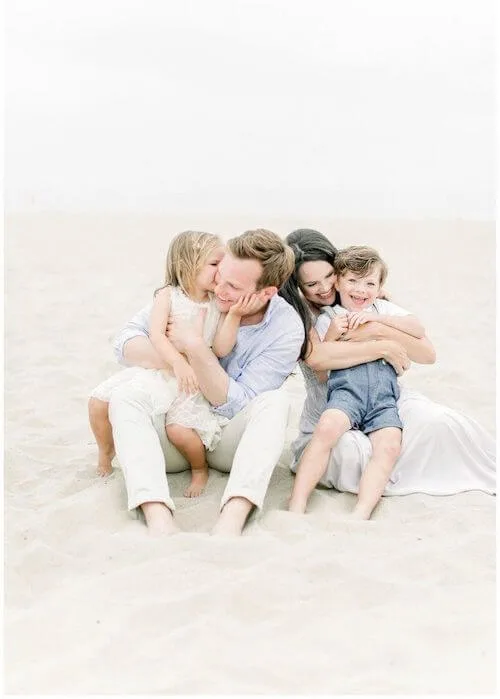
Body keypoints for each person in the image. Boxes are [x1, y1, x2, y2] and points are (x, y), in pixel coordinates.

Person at [89, 228, 304, 535]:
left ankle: (234, 514)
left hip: (227, 443)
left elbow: (235, 403)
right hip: (176, 437)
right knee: (125, 397)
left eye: (233, 286)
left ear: (266, 292)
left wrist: (195, 346)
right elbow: (125, 342)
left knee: (277, 403)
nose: (220, 288)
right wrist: (178, 360)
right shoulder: (199, 293)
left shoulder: (286, 329)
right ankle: (156, 511)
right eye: (221, 275)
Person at [279, 228, 496, 508]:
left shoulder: (369, 301)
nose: (323, 288)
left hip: (384, 396)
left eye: (329, 276)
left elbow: (427, 353)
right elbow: (319, 361)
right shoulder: (304, 314)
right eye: (311, 284)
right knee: (350, 452)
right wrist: (382, 347)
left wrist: (377, 328)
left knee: (442, 424)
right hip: (335, 401)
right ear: (296, 285)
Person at [89, 230, 260, 497]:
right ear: (189, 264)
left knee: (179, 430)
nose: (220, 272)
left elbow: (222, 348)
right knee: (98, 402)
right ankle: (105, 452)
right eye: (215, 264)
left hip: (196, 376)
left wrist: (235, 316)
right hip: (166, 369)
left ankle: (199, 468)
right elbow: (156, 335)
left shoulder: (218, 302)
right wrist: (177, 364)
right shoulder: (168, 295)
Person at [288, 245, 426, 519]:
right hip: (346, 394)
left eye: (369, 283)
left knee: (389, 446)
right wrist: (332, 336)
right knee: (327, 429)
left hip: (384, 399)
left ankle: (361, 512)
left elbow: (418, 329)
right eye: (352, 281)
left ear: (380, 286)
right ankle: (297, 503)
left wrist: (376, 318)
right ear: (337, 282)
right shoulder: (328, 318)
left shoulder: (383, 308)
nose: (361, 290)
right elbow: (321, 372)